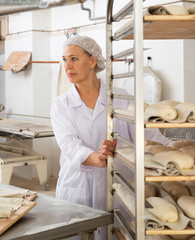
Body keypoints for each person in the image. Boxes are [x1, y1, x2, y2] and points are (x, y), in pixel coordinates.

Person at [50, 35, 170, 239]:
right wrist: (97, 158)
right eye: (64, 59)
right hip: (76, 188)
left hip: (116, 188)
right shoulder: (61, 104)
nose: (67, 66)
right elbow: (69, 144)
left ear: (92, 61)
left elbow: (150, 136)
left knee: (116, 233)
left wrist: (179, 153)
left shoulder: (121, 99)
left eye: (74, 59)